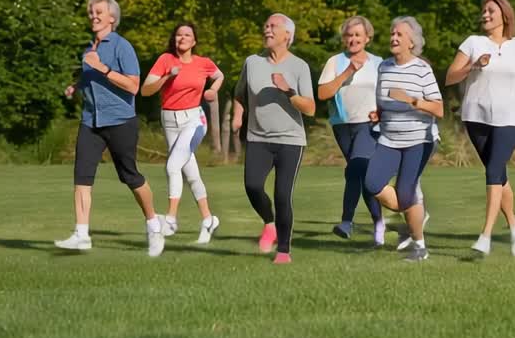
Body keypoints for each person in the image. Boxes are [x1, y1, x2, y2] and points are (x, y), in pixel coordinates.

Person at [55, 0, 165, 257]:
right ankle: (81, 234)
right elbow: (89, 76)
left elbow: (133, 85)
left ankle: (153, 225)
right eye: (91, 12)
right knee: (82, 177)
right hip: (90, 121)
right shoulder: (89, 50)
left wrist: (102, 68)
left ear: (112, 18)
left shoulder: (121, 47)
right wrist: (77, 86)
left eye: (99, 12)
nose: (93, 16)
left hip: (120, 121)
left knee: (130, 176)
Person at [445, 0, 515, 257]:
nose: (485, 15)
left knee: (493, 172)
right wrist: (473, 66)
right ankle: (514, 224)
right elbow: (451, 77)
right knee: (498, 175)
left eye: (490, 11)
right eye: (483, 11)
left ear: (504, 16)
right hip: (476, 117)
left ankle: (485, 236)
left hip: (510, 118)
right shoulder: (473, 43)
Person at [232, 14, 315, 265]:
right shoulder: (252, 62)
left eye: (273, 26)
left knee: (282, 194)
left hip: (291, 140)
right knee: (253, 186)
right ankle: (269, 223)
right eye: (265, 26)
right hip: (258, 138)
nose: (267, 29)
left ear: (287, 35)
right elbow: (239, 94)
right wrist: (238, 116)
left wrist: (287, 90)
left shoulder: (299, 66)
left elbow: (310, 108)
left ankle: (284, 250)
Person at [365, 17, 444, 262]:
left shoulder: (422, 69)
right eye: (392, 33)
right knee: (372, 182)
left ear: (412, 42)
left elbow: (439, 109)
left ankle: (420, 247)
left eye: (400, 34)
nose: (394, 38)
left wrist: (412, 100)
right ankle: (415, 211)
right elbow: (383, 100)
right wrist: (377, 113)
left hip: (419, 140)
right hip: (389, 138)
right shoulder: (384, 67)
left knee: (406, 189)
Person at [140, 22, 223, 244]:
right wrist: (167, 76)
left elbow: (219, 76)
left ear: (194, 41)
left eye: (187, 35)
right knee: (190, 172)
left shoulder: (203, 63)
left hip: (195, 120)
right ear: (174, 39)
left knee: (172, 166)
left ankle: (171, 218)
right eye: (178, 35)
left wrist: (213, 90)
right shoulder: (165, 61)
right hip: (169, 120)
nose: (182, 38)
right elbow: (145, 90)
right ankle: (208, 219)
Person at [317, 16, 386, 245]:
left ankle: (346, 222)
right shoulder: (335, 62)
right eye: (349, 35)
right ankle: (379, 223)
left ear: (367, 37)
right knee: (362, 175)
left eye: (358, 34)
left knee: (356, 167)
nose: (353, 39)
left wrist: (382, 112)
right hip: (343, 126)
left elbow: (388, 93)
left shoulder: (379, 63)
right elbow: (323, 94)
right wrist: (347, 72)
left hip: (370, 125)